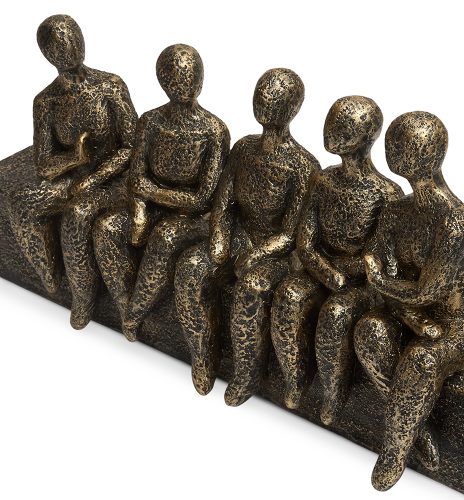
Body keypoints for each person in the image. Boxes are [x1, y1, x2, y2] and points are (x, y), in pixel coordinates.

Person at [354, 111, 464, 491]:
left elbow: (430, 291)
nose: (391, 150)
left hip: (457, 326)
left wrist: (381, 280)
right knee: (368, 332)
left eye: (398, 145)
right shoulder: (397, 210)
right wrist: (384, 281)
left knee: (420, 361)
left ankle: (395, 450)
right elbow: (376, 253)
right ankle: (416, 427)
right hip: (408, 310)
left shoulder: (457, 223)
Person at [175, 68, 320, 403]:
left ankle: (247, 374)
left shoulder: (304, 166)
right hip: (240, 235)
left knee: (250, 289)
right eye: (260, 96)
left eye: (274, 101)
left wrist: (256, 256)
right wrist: (220, 241)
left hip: (277, 253)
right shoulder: (243, 149)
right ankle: (203, 355)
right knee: (190, 269)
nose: (265, 105)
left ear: (292, 109)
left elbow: (291, 234)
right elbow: (224, 203)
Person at [271, 96, 403, 415]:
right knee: (288, 296)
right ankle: (295, 379)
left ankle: (334, 393)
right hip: (324, 271)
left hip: (364, 285)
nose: (331, 130)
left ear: (366, 136)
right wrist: (328, 273)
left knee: (335, 314)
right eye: (331, 120)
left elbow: (382, 262)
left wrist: (343, 276)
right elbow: (306, 242)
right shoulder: (323, 180)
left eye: (343, 125)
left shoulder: (386, 194)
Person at [7, 15, 137, 329]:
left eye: (74, 38)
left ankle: (83, 295)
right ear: (48, 54)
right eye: (60, 45)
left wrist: (94, 177)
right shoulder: (46, 101)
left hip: (114, 177)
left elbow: (132, 146)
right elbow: (43, 164)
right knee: (20, 202)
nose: (70, 48)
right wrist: (74, 158)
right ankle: (49, 275)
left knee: (77, 217)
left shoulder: (110, 86)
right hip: (73, 177)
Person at [93, 44, 230, 342]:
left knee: (165, 236)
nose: (186, 85)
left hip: (192, 216)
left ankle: (136, 312)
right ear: (163, 82)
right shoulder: (151, 121)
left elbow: (201, 199)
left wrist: (151, 192)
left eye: (192, 76)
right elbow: (136, 176)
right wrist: (140, 211)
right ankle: (122, 304)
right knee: (106, 228)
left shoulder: (214, 131)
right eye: (177, 79)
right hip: (152, 205)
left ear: (202, 79)